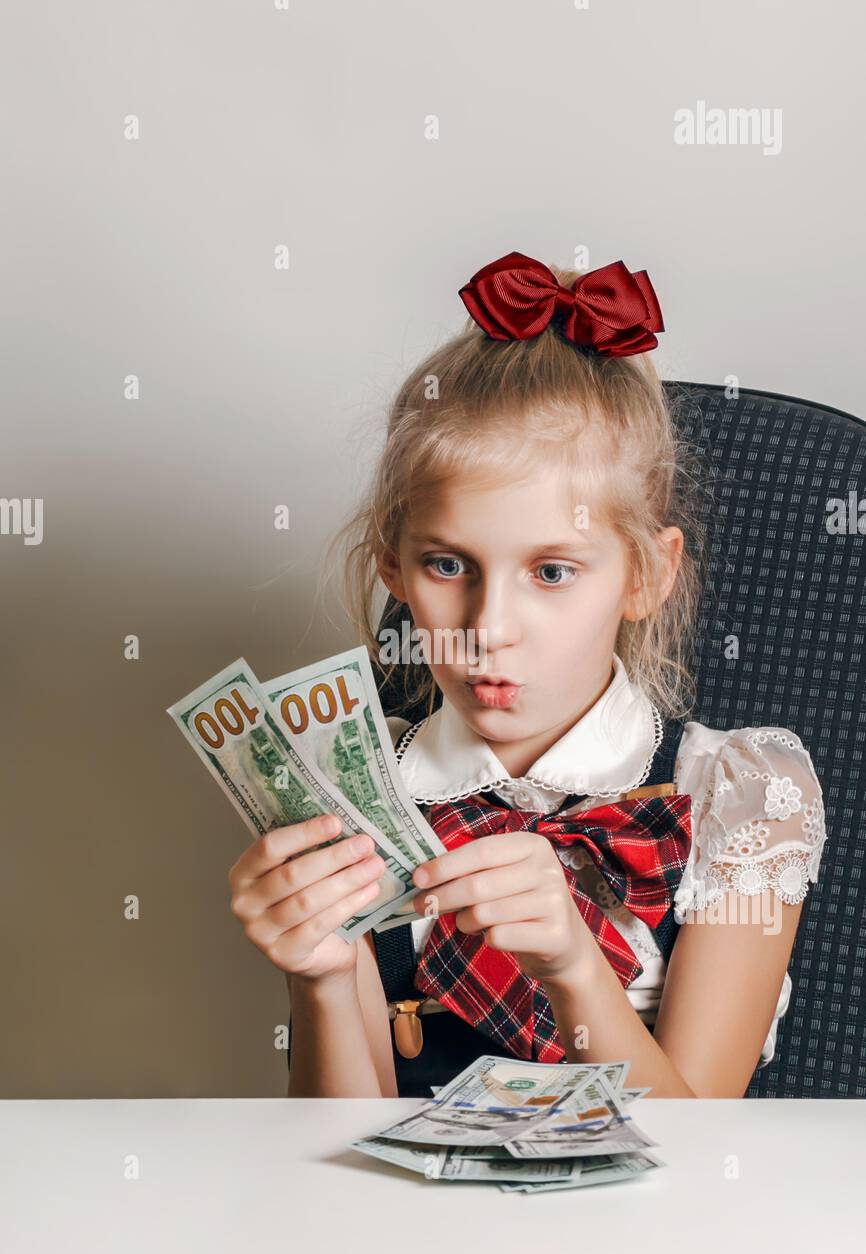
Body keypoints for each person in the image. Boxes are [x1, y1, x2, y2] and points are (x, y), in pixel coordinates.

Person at [228, 250, 827, 1100]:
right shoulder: (349, 792)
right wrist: (321, 977)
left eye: (552, 572)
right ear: (392, 568)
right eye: (447, 565)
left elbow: (698, 1158)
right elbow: (343, 1161)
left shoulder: (744, 795)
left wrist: (575, 964)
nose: (488, 630)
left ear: (646, 576)